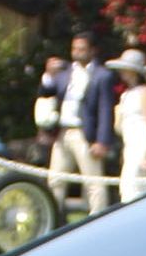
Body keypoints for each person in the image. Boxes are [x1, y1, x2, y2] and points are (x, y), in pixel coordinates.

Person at [40, 33, 117, 211]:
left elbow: (106, 109)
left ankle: (97, 218)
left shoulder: (102, 75)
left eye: (82, 49)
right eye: (74, 48)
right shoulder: (65, 72)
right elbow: (46, 92)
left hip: (84, 133)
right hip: (62, 132)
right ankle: (53, 218)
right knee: (55, 179)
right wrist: (48, 75)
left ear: (92, 51)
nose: (77, 52)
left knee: (93, 181)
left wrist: (102, 141)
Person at [112, 48, 146, 202]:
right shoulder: (126, 94)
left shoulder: (144, 91)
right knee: (127, 184)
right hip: (130, 143)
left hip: (142, 141)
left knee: (135, 184)